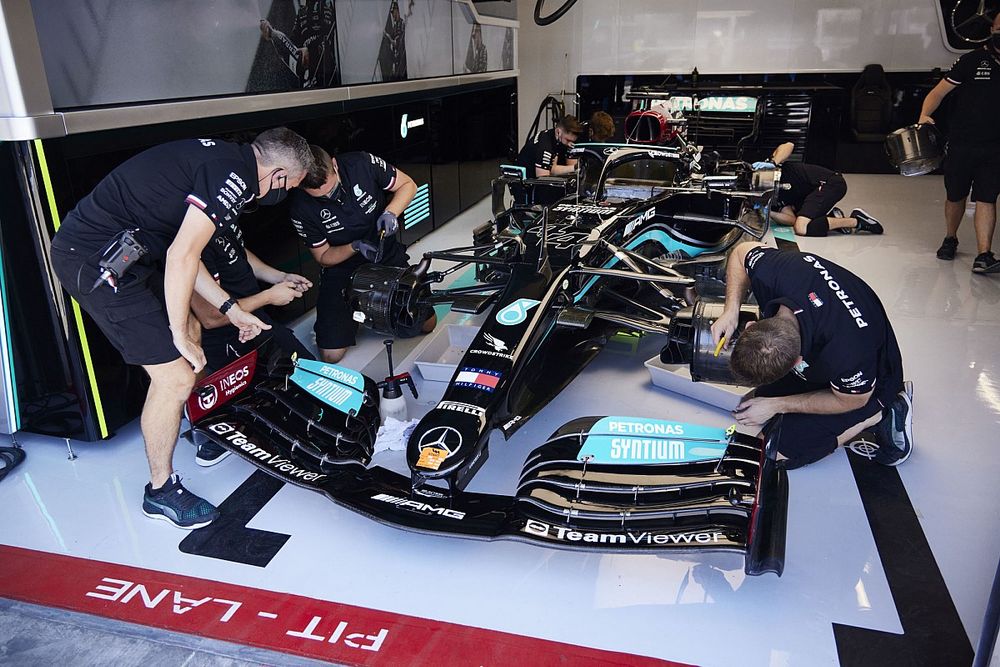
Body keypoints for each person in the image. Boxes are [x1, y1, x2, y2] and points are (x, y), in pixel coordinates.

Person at [49, 127, 314, 528]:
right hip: (96, 261)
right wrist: (175, 331)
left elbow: (190, 258)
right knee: (174, 376)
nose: (282, 192)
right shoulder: (233, 176)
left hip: (132, 253)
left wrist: (230, 308)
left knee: (193, 329)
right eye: (288, 185)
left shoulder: (229, 161)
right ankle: (160, 491)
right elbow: (182, 255)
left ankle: (197, 423)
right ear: (278, 174)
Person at [711, 242, 912, 469]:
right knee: (749, 407)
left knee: (775, 452)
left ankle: (883, 414)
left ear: (798, 363)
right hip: (827, 347)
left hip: (870, 385)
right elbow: (740, 253)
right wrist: (730, 311)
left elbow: (852, 399)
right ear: (750, 326)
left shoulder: (846, 351)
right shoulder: (777, 272)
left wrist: (778, 404)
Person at [289, 145, 435, 363]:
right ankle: (356, 312)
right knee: (331, 356)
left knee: (426, 324)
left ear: (335, 166)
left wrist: (390, 213)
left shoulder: (361, 163)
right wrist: (354, 246)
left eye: (332, 190)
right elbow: (323, 257)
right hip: (343, 264)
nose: (330, 197)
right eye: (321, 197)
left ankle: (368, 309)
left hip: (384, 250)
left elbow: (408, 185)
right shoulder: (299, 207)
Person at [189, 220, 315, 466]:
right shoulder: (190, 243)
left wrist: (280, 276)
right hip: (227, 340)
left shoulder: (219, 216)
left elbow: (236, 251)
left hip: (257, 322)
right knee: (272, 414)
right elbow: (211, 318)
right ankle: (216, 432)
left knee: (314, 382)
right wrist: (269, 296)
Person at [919, 14, 1000, 273]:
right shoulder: (971, 61)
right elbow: (938, 92)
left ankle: (984, 255)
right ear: (992, 29)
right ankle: (950, 238)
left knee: (987, 198)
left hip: (995, 148)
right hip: (962, 143)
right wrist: (924, 115)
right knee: (955, 195)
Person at [755, 142, 883, 237]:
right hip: (812, 195)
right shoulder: (769, 197)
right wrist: (768, 212)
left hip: (829, 183)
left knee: (801, 228)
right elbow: (791, 219)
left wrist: (773, 162)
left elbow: (789, 145)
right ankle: (830, 217)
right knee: (802, 224)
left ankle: (857, 220)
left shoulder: (767, 170)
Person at [259, 0, 339, 89]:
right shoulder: (302, 12)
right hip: (310, 84)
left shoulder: (330, 4)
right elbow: (293, 48)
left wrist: (311, 51)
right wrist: (271, 34)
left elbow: (331, 39)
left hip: (330, 77)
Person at [515, 114, 583, 178]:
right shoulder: (545, 146)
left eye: (572, 141)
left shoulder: (556, 137)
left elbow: (553, 169)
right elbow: (543, 180)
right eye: (567, 140)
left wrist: (576, 167)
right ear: (558, 132)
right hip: (525, 181)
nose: (569, 144)